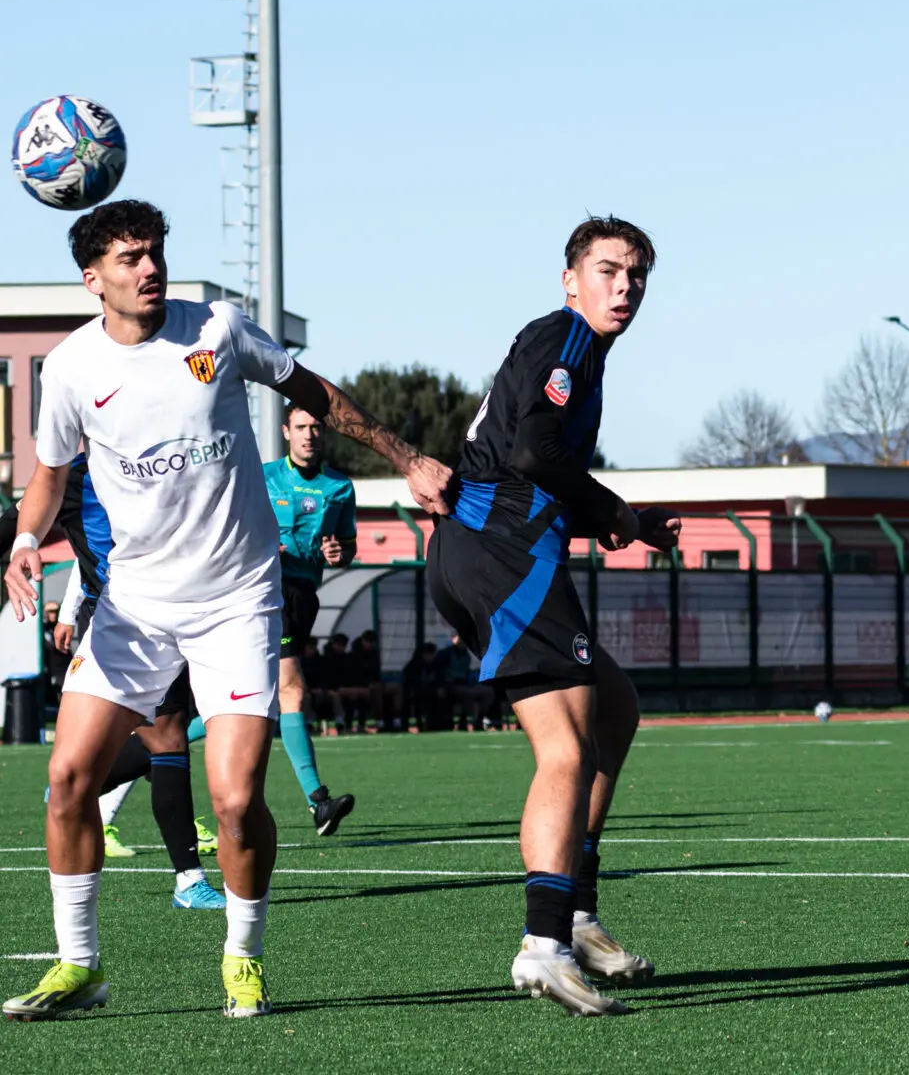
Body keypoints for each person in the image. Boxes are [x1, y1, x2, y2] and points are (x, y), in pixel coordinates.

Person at [2, 200, 451, 1022]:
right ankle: (80, 966)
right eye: (131, 257)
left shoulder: (216, 329)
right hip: (134, 606)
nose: (150, 267)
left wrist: (406, 454)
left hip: (237, 602)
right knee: (66, 779)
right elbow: (50, 477)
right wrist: (28, 537)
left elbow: (313, 389)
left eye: (156, 252)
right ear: (92, 277)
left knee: (237, 801)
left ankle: (242, 958)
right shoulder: (67, 369)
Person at [426, 216, 679, 1015]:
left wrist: (615, 520)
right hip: (501, 556)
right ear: (571, 280)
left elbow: (529, 465)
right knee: (566, 750)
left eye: (636, 274)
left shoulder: (582, 356)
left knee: (616, 712)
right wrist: (610, 505)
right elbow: (535, 457)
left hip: (491, 550)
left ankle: (576, 912)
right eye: (608, 270)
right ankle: (544, 945)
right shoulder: (563, 335)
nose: (624, 286)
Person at [52, 458, 222, 906]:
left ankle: (77, 777)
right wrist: (24, 548)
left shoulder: (150, 460)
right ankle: (188, 880)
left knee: (165, 736)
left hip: (168, 614)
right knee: (165, 739)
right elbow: (18, 525)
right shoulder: (69, 477)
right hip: (112, 621)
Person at [263, 406, 359, 831]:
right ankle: (318, 800)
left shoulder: (339, 488)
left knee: (259, 702)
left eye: (316, 427)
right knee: (292, 690)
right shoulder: (263, 477)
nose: (309, 435)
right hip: (267, 592)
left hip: (304, 598)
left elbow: (348, 545)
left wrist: (341, 554)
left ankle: (154, 749)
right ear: (286, 431)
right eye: (301, 427)